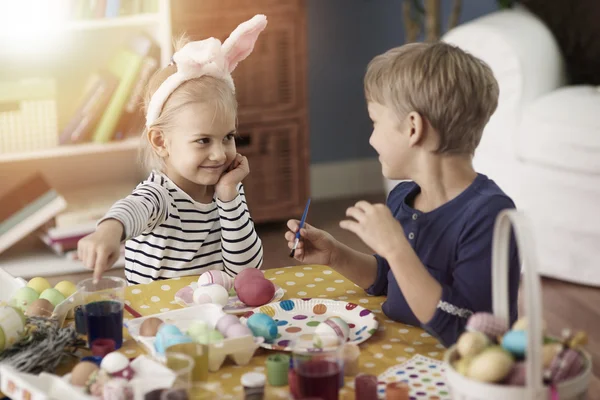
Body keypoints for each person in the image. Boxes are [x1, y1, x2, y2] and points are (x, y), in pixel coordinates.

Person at [285, 42, 520, 346]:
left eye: (374, 122)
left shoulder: (490, 216)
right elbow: (390, 279)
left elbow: (467, 330)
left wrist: (396, 248)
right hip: (404, 357)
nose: (371, 139)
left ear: (413, 128)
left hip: (462, 373)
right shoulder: (404, 197)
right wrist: (336, 255)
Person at [78, 15, 268, 285]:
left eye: (228, 137)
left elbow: (246, 272)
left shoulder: (227, 189)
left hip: (210, 313)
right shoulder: (159, 196)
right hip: (161, 317)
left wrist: (228, 199)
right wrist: (108, 231)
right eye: (203, 141)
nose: (219, 154)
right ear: (160, 142)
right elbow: (133, 209)